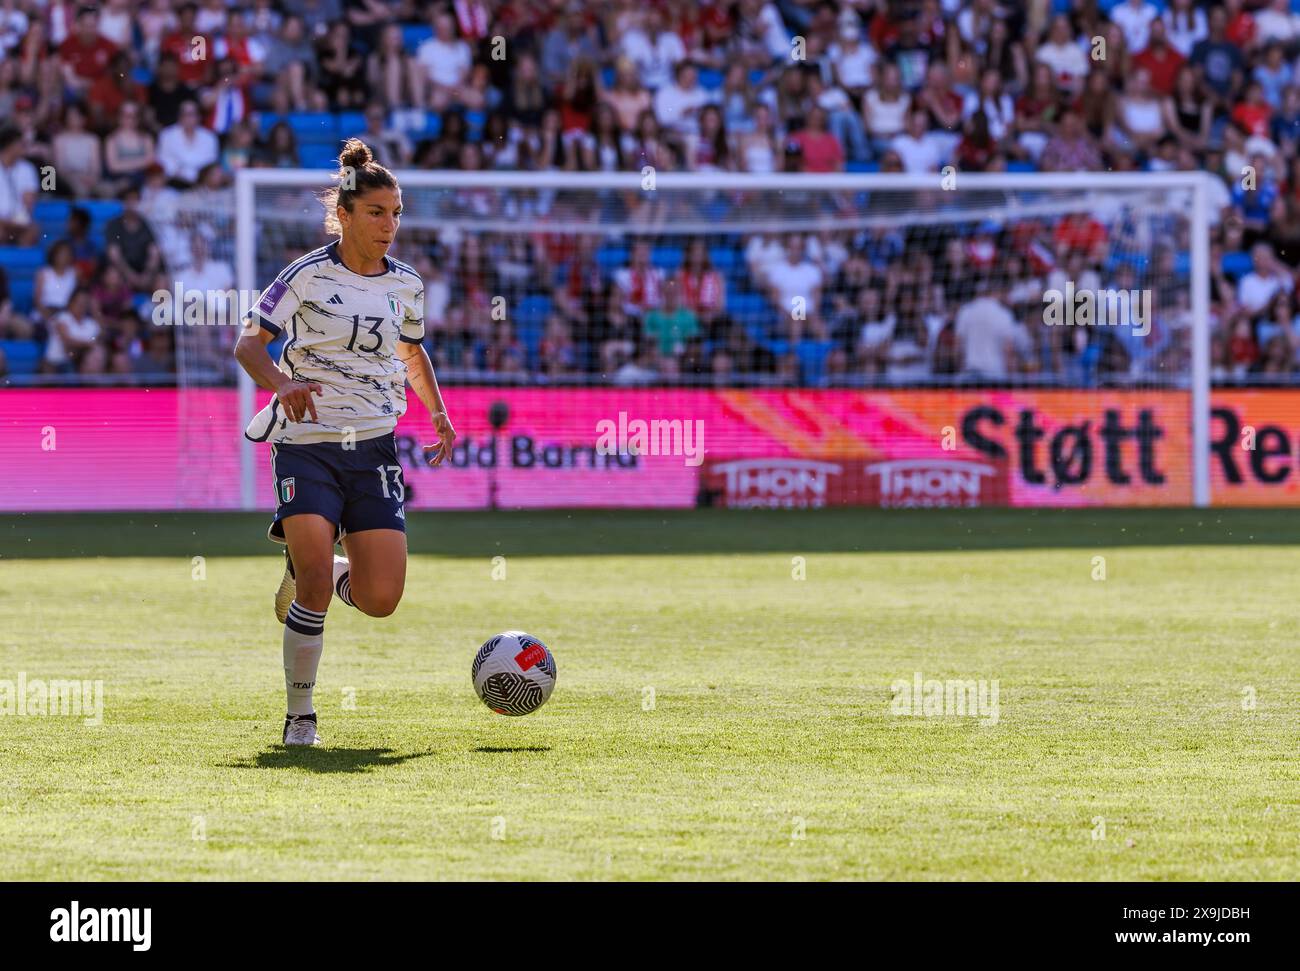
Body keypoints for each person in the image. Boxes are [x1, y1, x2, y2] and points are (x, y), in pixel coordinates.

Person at [232, 138, 456, 747]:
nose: (390, 225)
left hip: (376, 449)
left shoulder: (406, 285)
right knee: (308, 591)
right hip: (307, 444)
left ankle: (332, 573)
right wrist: (283, 384)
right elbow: (249, 344)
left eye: (398, 213)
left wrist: (438, 413)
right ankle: (299, 717)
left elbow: (411, 351)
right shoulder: (304, 276)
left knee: (381, 599)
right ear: (347, 214)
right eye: (378, 213)